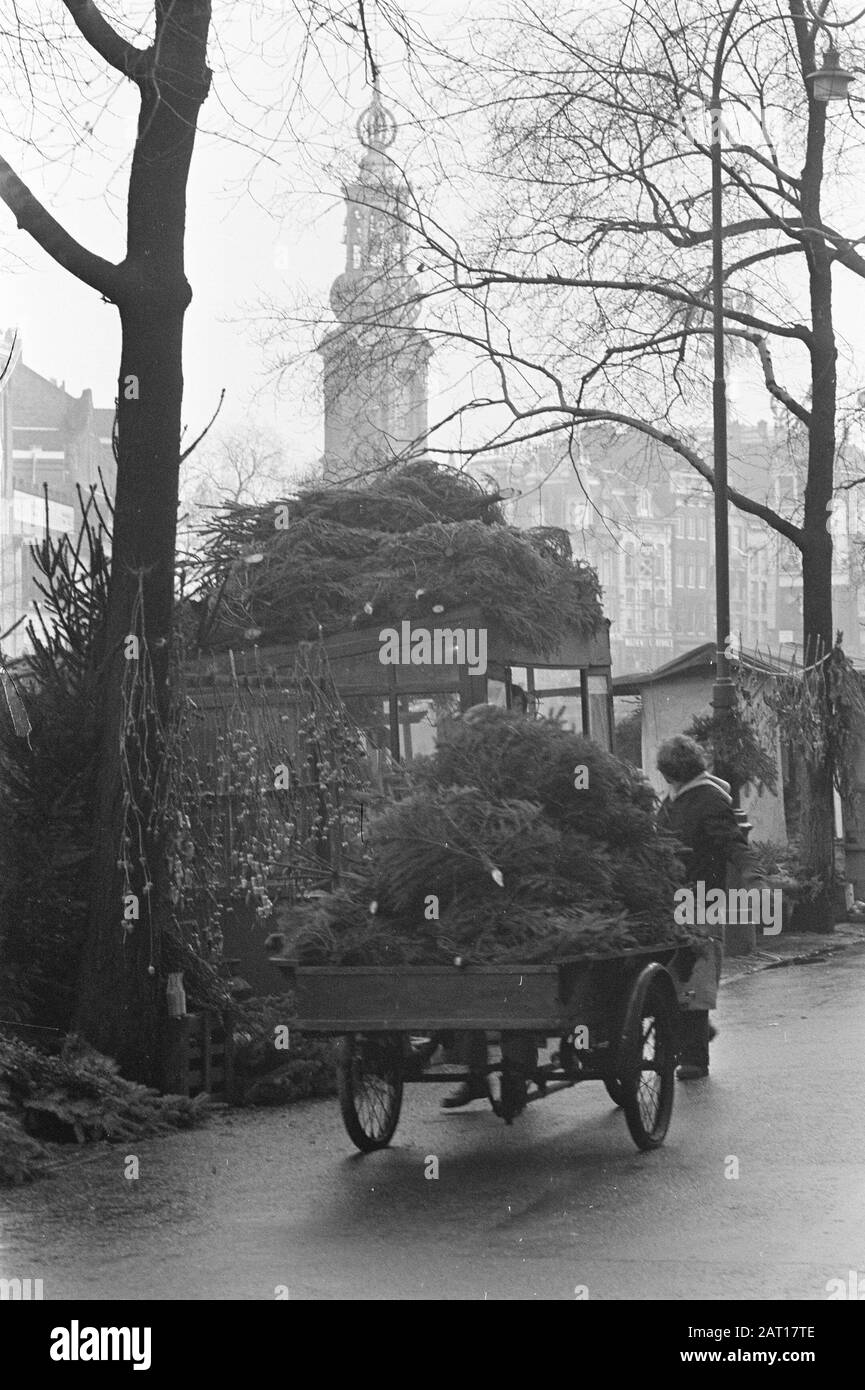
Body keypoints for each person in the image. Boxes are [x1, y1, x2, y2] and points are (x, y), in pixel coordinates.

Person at [655, 734, 750, 1080]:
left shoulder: (707, 799)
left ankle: (695, 1058)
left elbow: (731, 842)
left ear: (671, 773)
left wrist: (753, 873)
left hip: (702, 901)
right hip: (675, 899)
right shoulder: (673, 801)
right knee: (682, 974)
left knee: (697, 977)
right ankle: (696, 1032)